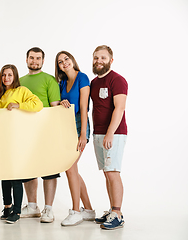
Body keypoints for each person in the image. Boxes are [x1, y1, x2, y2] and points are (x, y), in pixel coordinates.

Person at [0, 64, 43, 224]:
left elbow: (38, 105)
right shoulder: (1, 96)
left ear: (15, 76)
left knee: (15, 175)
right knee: (4, 175)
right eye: (4, 75)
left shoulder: (22, 91)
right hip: (3, 140)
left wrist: (19, 105)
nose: (6, 78)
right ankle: (8, 207)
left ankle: (17, 211)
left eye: (9, 75)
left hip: (18, 140)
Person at [19, 47, 61, 223]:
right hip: (25, 132)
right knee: (28, 169)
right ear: (26, 60)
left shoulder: (49, 79)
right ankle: (32, 206)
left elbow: (55, 107)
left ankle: (49, 209)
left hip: (46, 132)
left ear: (43, 61)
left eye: (38, 58)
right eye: (31, 58)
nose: (34, 61)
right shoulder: (19, 81)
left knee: (49, 171)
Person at [55, 51, 96, 226]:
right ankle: (88, 210)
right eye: (60, 62)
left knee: (70, 167)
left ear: (72, 60)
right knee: (73, 170)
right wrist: (62, 103)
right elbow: (58, 106)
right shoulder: (62, 83)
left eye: (66, 59)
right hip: (66, 127)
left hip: (80, 125)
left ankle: (76, 211)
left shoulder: (83, 78)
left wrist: (83, 135)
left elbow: (84, 108)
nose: (64, 63)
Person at [90, 45, 128, 230]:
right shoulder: (94, 82)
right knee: (107, 172)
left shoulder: (118, 80)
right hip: (98, 133)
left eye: (103, 58)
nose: (99, 61)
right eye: (96, 57)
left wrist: (110, 133)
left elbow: (119, 108)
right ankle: (112, 210)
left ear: (111, 60)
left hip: (114, 133)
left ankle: (118, 214)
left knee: (113, 172)